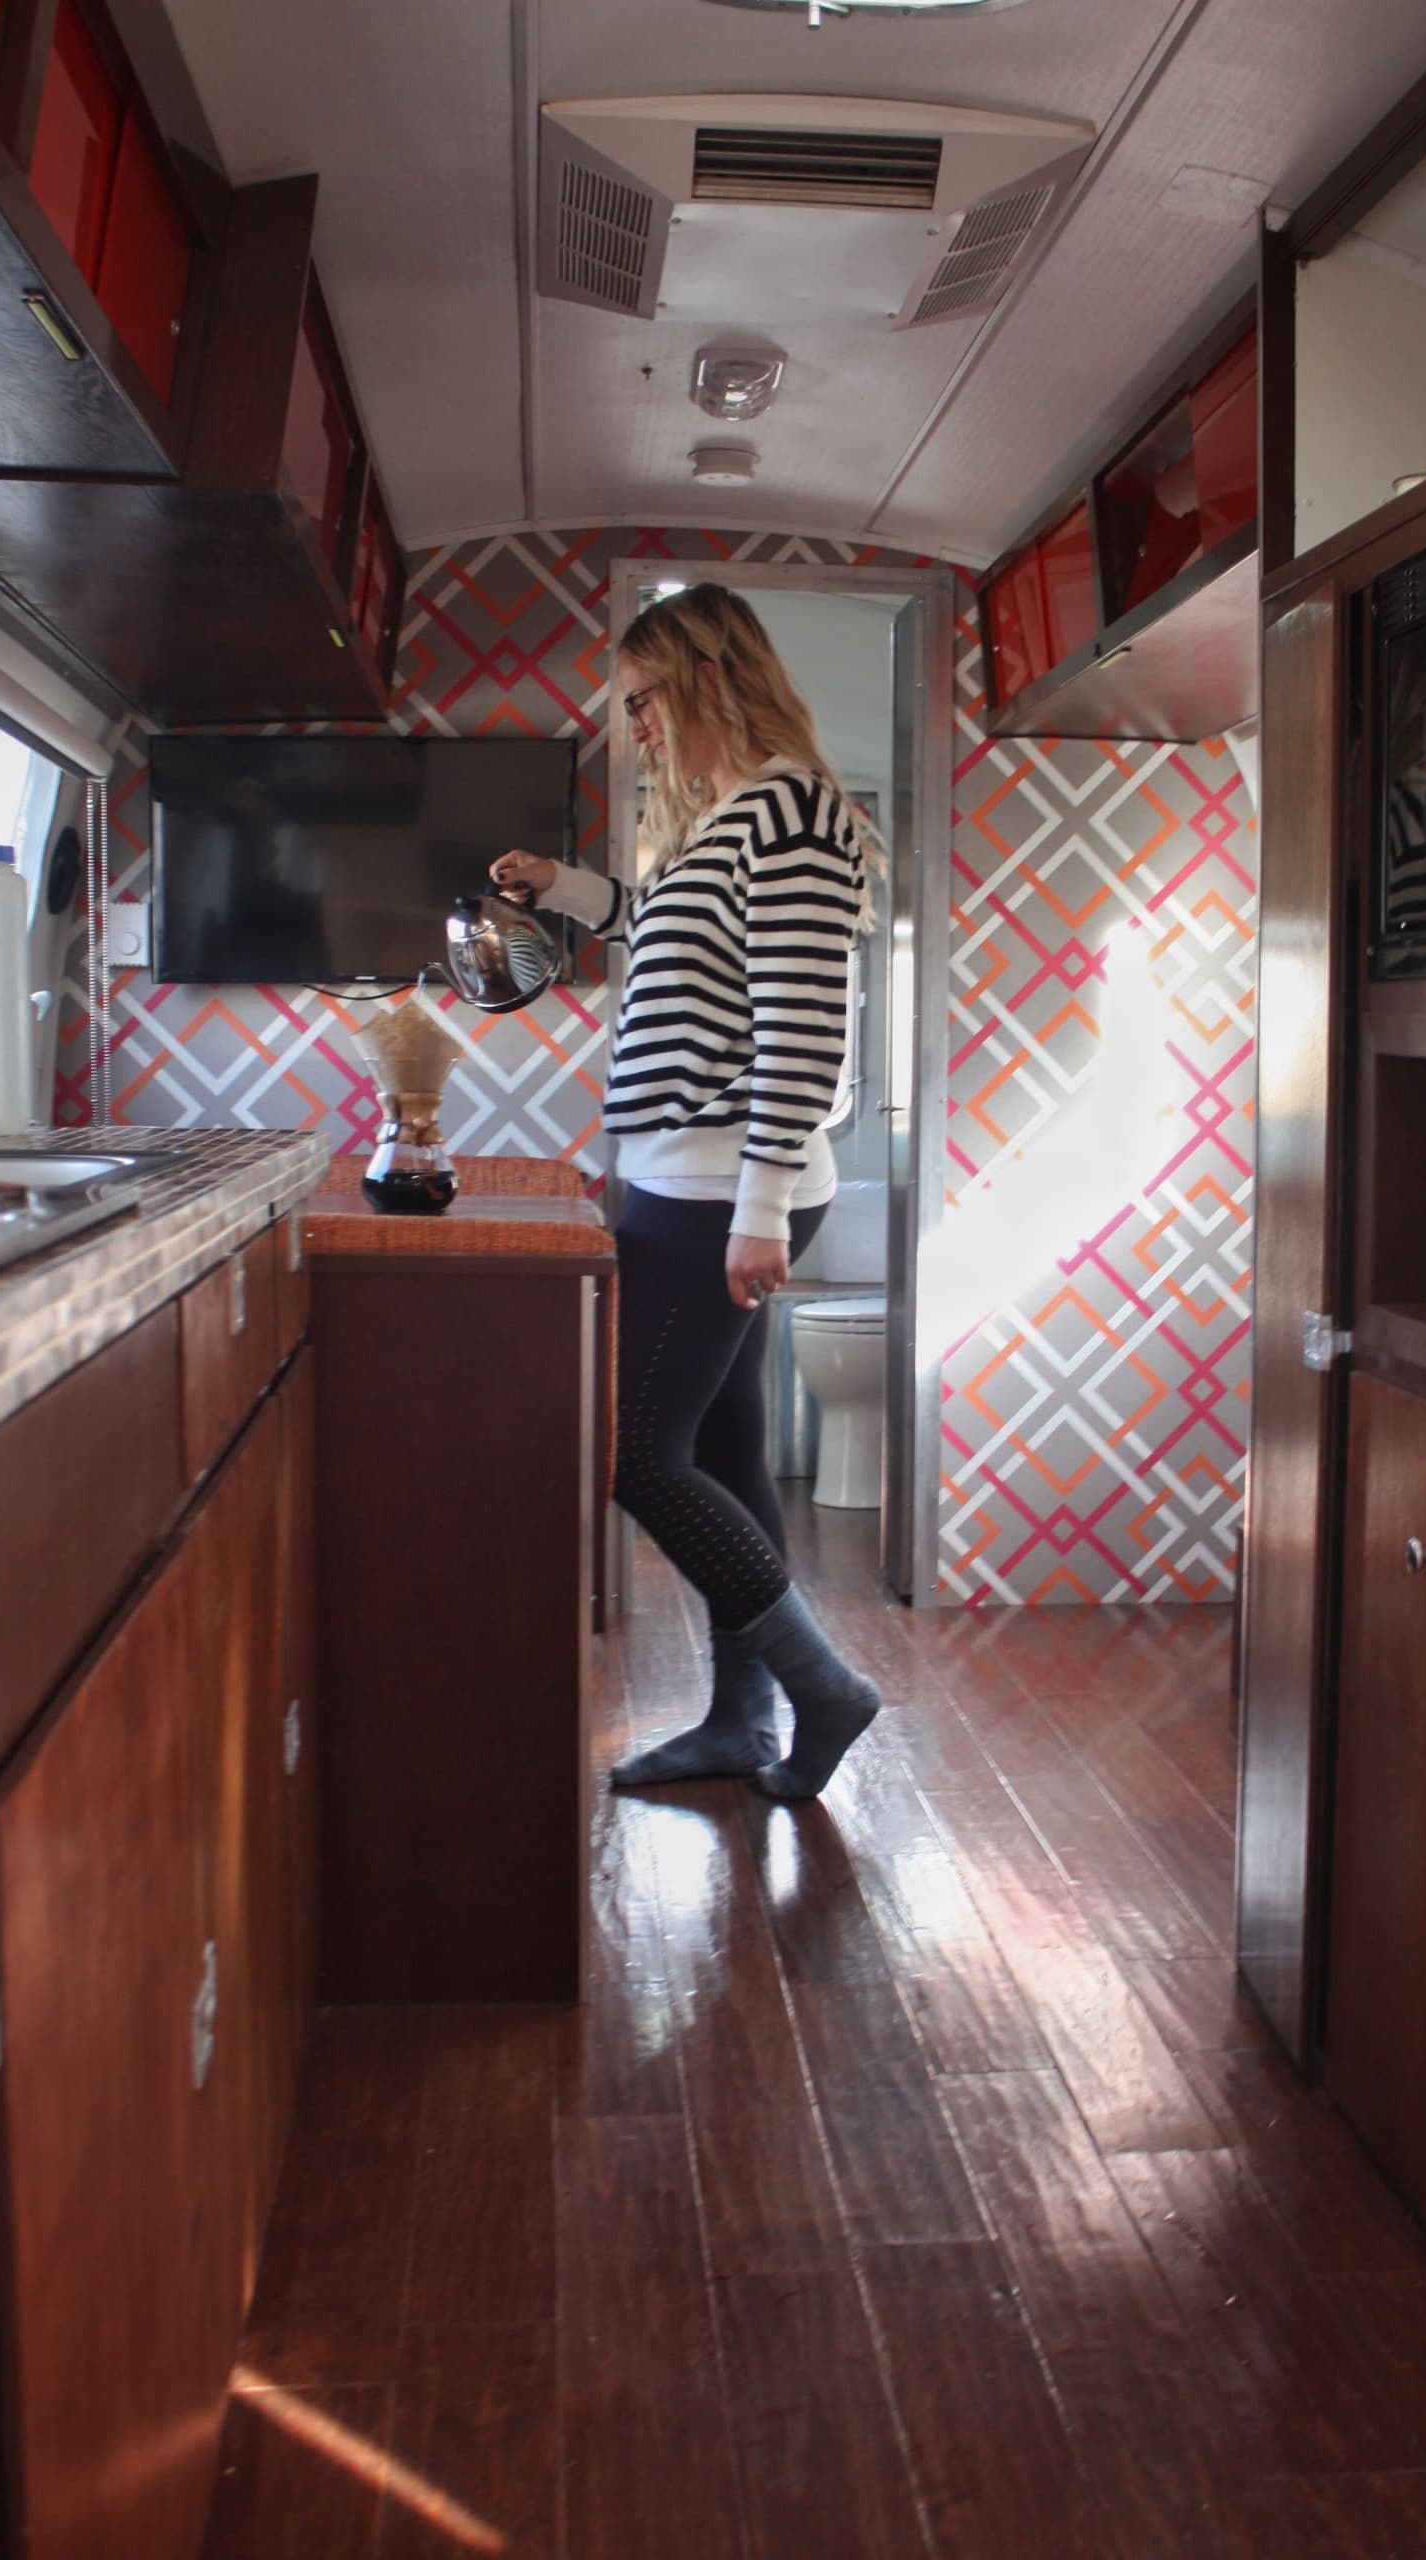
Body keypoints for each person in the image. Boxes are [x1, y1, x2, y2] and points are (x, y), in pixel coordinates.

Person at [491, 583, 881, 1801]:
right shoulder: (726, 820)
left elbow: (804, 1022)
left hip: (722, 1185)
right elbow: (659, 924)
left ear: (711, 674)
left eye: (649, 700)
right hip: (686, 1174)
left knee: (635, 1453)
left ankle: (822, 1690)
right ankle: (740, 1718)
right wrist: (561, 885)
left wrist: (763, 1206)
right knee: (722, 1441)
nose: (641, 727)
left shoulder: (797, 813)